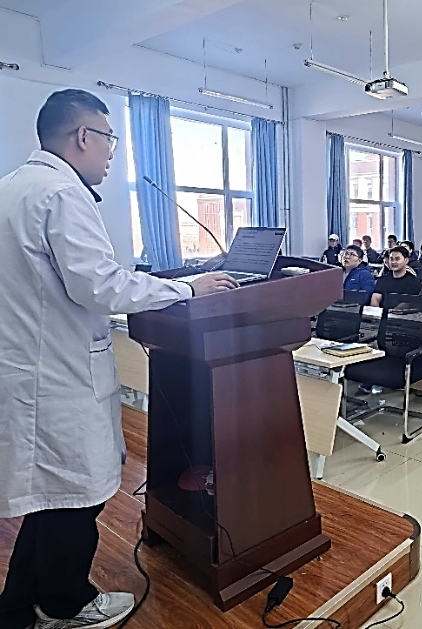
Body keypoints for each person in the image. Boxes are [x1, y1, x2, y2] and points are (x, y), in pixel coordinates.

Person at [0, 89, 238, 629]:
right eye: (109, 139)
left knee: (49, 499)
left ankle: (16, 609)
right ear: (84, 136)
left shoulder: (13, 186)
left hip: (29, 371)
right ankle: (65, 606)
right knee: (74, 500)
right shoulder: (63, 193)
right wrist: (188, 289)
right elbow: (100, 286)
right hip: (59, 378)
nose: (112, 153)